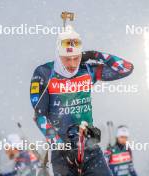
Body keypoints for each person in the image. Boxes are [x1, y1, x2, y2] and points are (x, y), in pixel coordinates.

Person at [30, 25, 134, 175]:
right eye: (67, 59)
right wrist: (60, 146)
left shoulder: (86, 70)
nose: (72, 64)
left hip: (89, 145)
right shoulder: (44, 73)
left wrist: (94, 54)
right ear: (58, 55)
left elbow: (126, 68)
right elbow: (40, 116)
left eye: (76, 58)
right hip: (62, 152)